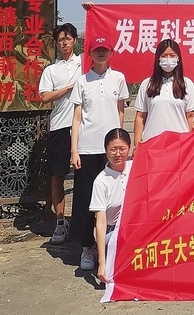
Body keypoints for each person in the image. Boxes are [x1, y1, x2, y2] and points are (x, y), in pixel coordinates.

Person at [69, 35, 129, 270]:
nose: (101, 53)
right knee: (85, 200)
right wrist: (74, 150)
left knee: (116, 199)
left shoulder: (119, 79)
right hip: (87, 148)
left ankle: (113, 245)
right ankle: (87, 246)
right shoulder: (82, 82)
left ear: (111, 52)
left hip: (111, 150)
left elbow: (121, 112)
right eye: (96, 50)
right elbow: (76, 118)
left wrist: (121, 144)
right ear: (90, 54)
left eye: (105, 49)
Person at [38, 23, 82, 244]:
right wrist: (69, 88)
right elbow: (45, 97)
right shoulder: (51, 70)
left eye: (68, 38)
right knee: (58, 176)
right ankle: (60, 221)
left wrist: (90, 10)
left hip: (83, 126)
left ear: (75, 40)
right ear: (56, 43)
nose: (64, 42)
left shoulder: (84, 63)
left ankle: (84, 220)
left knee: (85, 174)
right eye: (60, 39)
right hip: (60, 126)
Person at [133, 39, 194, 148]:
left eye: (172, 55)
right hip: (152, 144)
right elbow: (140, 116)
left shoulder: (187, 84)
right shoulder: (147, 84)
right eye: (164, 55)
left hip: (179, 145)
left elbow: (190, 116)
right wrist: (137, 144)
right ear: (158, 58)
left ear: (178, 58)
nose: (168, 59)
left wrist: (191, 144)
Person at [89, 128, 133, 284]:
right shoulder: (101, 182)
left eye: (122, 149)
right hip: (113, 232)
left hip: (134, 226)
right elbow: (100, 222)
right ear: (105, 150)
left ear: (129, 148)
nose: (118, 154)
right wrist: (102, 263)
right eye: (113, 149)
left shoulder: (135, 167)